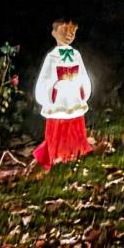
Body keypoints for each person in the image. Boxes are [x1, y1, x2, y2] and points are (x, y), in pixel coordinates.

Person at [33, 20, 93, 169]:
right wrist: (51, 90)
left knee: (75, 125)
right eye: (64, 30)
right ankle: (58, 153)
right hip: (59, 99)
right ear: (54, 33)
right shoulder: (52, 57)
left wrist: (83, 88)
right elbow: (45, 78)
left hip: (74, 96)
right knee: (59, 127)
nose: (69, 34)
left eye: (72, 31)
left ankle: (76, 150)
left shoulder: (76, 55)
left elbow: (82, 73)